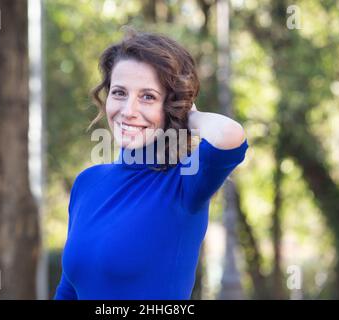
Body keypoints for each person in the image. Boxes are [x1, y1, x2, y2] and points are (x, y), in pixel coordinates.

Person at [54, 28, 248, 300]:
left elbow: (230, 136)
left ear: (171, 105)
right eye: (119, 92)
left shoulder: (185, 182)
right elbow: (68, 290)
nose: (129, 110)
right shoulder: (87, 183)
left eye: (148, 97)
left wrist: (188, 113)